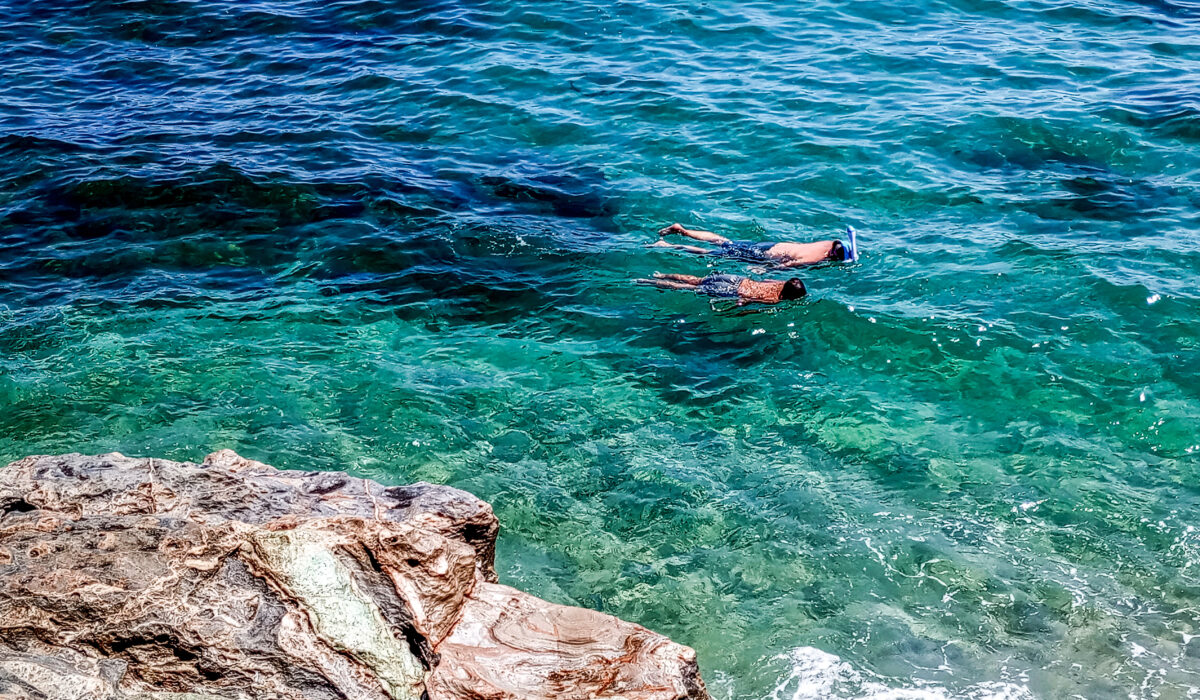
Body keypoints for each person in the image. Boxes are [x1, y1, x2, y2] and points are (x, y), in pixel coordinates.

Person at [651, 223, 859, 267]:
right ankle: (667, 246)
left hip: (773, 245)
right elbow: (788, 265)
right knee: (713, 253)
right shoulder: (818, 257)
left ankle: (684, 231)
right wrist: (763, 269)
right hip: (766, 256)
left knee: (724, 242)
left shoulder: (827, 243)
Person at [639, 272, 807, 304]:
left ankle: (660, 276)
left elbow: (765, 279)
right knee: (688, 289)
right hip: (733, 291)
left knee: (696, 281)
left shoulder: (779, 282)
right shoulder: (774, 300)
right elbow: (747, 300)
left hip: (736, 279)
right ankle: (649, 283)